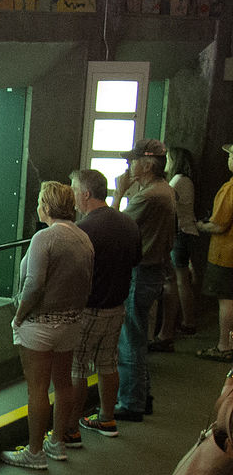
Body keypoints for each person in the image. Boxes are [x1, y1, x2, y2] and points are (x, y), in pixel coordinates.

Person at [1, 182, 94, 468]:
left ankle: (34, 451)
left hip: (39, 324)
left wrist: (19, 316)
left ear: (47, 206)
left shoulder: (44, 238)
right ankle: (58, 442)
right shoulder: (83, 237)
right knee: (63, 383)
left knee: (38, 389)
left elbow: (34, 284)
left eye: (40, 201)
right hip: (71, 322)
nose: (38, 206)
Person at [69, 169, 142, 441]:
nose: (72, 195)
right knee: (108, 364)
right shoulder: (128, 223)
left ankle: (70, 429)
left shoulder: (83, 230)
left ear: (86, 193)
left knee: (77, 368)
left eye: (74, 189)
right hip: (117, 307)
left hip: (89, 309)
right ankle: (107, 418)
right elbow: (136, 260)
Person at [111, 139, 176, 420]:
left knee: (130, 340)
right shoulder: (165, 190)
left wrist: (118, 194)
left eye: (132, 160)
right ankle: (142, 396)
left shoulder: (147, 197)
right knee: (137, 336)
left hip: (140, 273)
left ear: (147, 165)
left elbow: (113, 226)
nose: (129, 166)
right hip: (153, 270)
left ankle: (131, 403)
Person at [150, 146, 198, 349]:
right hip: (186, 232)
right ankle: (187, 321)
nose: (166, 163)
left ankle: (186, 323)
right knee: (182, 279)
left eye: (168, 159)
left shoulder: (177, 180)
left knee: (178, 280)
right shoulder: (185, 180)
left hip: (180, 234)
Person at [196, 144, 233, 362]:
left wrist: (200, 226)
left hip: (226, 254)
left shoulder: (230, 188)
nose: (228, 159)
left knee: (226, 300)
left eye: (230, 155)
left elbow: (219, 225)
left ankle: (224, 346)